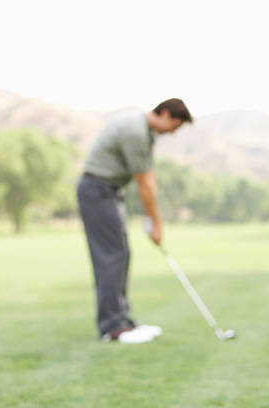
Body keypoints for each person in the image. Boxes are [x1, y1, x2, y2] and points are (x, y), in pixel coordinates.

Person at [77, 98, 192, 344]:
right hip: (97, 191)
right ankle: (112, 327)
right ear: (164, 114)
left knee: (121, 254)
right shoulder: (136, 131)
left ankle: (122, 320)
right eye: (175, 126)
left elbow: (147, 178)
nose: (173, 132)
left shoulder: (144, 130)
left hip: (107, 191)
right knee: (112, 256)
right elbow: (145, 184)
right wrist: (156, 224)